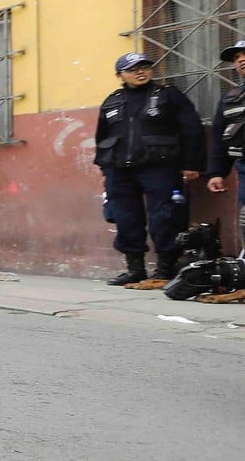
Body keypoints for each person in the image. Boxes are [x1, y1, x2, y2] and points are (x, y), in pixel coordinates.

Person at [94, 53, 204, 285]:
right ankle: (135, 270)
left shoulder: (168, 95)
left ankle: (165, 268)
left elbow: (191, 130)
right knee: (125, 218)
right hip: (119, 170)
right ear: (120, 75)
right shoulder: (112, 101)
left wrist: (191, 164)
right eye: (132, 69)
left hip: (160, 167)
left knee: (165, 217)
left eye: (144, 67)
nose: (140, 72)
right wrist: (106, 171)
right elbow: (102, 136)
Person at [206, 40, 245, 246]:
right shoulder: (231, 98)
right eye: (237, 58)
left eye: (244, 55)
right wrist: (216, 172)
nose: (241, 60)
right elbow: (221, 138)